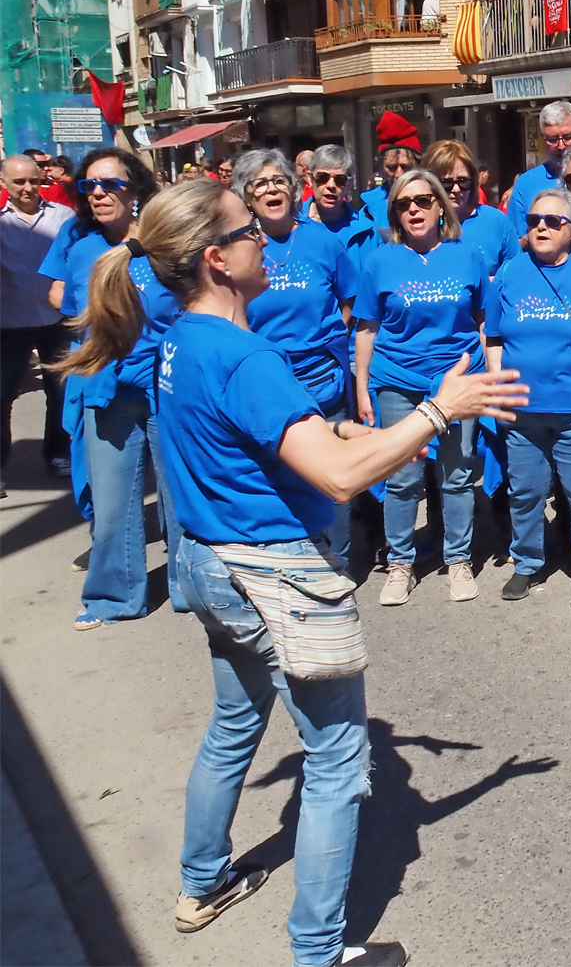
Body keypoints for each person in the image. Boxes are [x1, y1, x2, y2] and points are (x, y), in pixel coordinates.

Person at [59, 178, 525, 967]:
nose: (270, 241)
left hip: (212, 565)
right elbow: (343, 480)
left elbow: (254, 442)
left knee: (235, 722)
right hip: (272, 573)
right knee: (339, 762)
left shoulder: (182, 337)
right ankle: (317, 952)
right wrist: (441, 410)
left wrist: (337, 424)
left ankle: (202, 881)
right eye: (253, 234)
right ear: (217, 259)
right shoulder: (240, 354)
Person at [39, 148, 183, 629]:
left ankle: (194, 588)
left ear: (136, 190)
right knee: (113, 502)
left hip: (167, 384)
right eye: (89, 186)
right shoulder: (78, 244)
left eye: (110, 185)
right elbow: (63, 302)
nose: (98, 193)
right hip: (105, 388)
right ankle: (113, 597)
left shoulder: (164, 240)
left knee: (181, 493)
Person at [354, 169, 489, 606]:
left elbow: (484, 322)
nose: (414, 209)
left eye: (423, 200)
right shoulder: (379, 261)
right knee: (402, 476)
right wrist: (361, 388)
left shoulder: (467, 255)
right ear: (394, 211)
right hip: (397, 380)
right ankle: (400, 563)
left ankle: (459, 559)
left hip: (458, 379)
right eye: (403, 203)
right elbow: (366, 329)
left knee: (457, 473)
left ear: (440, 206)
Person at [235, 149, 359, 563]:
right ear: (246, 196)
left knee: (331, 475)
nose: (271, 189)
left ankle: (336, 560)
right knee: (275, 476)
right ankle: (290, 559)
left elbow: (350, 299)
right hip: (267, 381)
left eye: (277, 181)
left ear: (292, 187)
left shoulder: (322, 240)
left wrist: (330, 334)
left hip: (323, 378)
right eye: (259, 184)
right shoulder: (239, 246)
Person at [486, 188, 571, 610]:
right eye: (535, 219)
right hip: (522, 410)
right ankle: (527, 562)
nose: (540, 226)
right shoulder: (510, 271)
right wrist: (498, 388)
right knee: (526, 491)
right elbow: (494, 336)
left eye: (553, 221)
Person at [1, 154, 74, 488]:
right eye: (19, 182)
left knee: (60, 392)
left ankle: (58, 453)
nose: (28, 188)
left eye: (34, 180)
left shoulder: (64, 218)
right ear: (5, 184)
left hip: (56, 320)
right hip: (9, 322)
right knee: (2, 395)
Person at [422, 140, 519, 278]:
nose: (456, 189)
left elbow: (518, 271)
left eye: (463, 181)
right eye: (447, 183)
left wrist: (490, 283)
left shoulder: (495, 221)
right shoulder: (420, 224)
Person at [504, 101, 571, 229]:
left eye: (568, 137)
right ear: (543, 138)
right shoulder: (525, 184)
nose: (561, 146)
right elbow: (514, 242)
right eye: (553, 139)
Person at [304, 145, 377, 262]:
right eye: (322, 177)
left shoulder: (368, 233)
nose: (331, 186)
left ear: (350, 184)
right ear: (309, 178)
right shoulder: (290, 225)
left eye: (340, 180)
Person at [365, 114, 422, 227]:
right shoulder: (368, 212)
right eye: (391, 167)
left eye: (405, 167)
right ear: (381, 167)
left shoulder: (439, 203)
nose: (399, 174)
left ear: (418, 165)